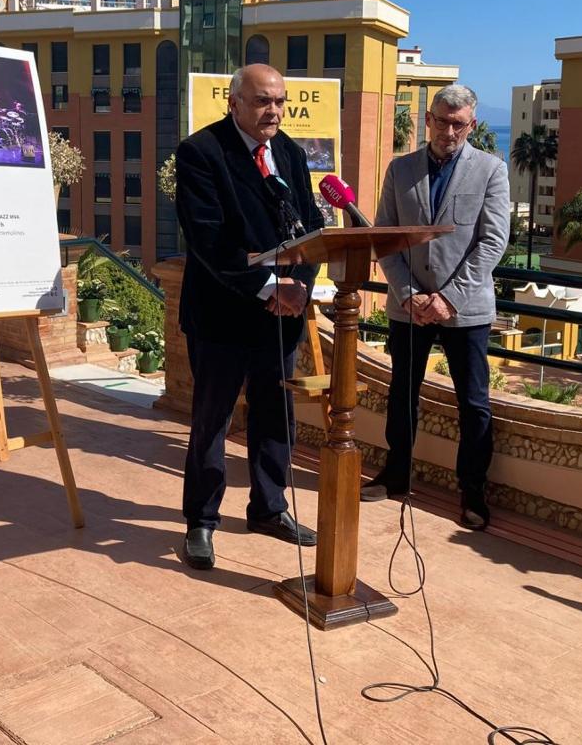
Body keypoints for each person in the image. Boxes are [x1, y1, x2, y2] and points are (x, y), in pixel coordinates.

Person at [174, 64, 325, 570]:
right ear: (234, 101)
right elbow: (209, 242)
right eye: (263, 101)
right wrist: (268, 288)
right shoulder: (200, 153)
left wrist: (299, 289)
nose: (274, 111)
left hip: (281, 317)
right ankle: (201, 520)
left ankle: (269, 507)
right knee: (212, 421)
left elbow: (313, 231)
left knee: (274, 415)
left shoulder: (291, 154)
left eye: (280, 101)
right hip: (221, 316)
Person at [361, 84, 510, 530]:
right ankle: (396, 475)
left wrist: (447, 298)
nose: (449, 130)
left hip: (466, 309)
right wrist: (409, 293)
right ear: (428, 120)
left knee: (474, 402)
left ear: (472, 125)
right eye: (441, 121)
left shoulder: (491, 170)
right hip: (409, 306)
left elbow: (492, 242)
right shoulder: (400, 168)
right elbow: (384, 235)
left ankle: (473, 489)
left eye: (458, 123)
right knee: (403, 392)